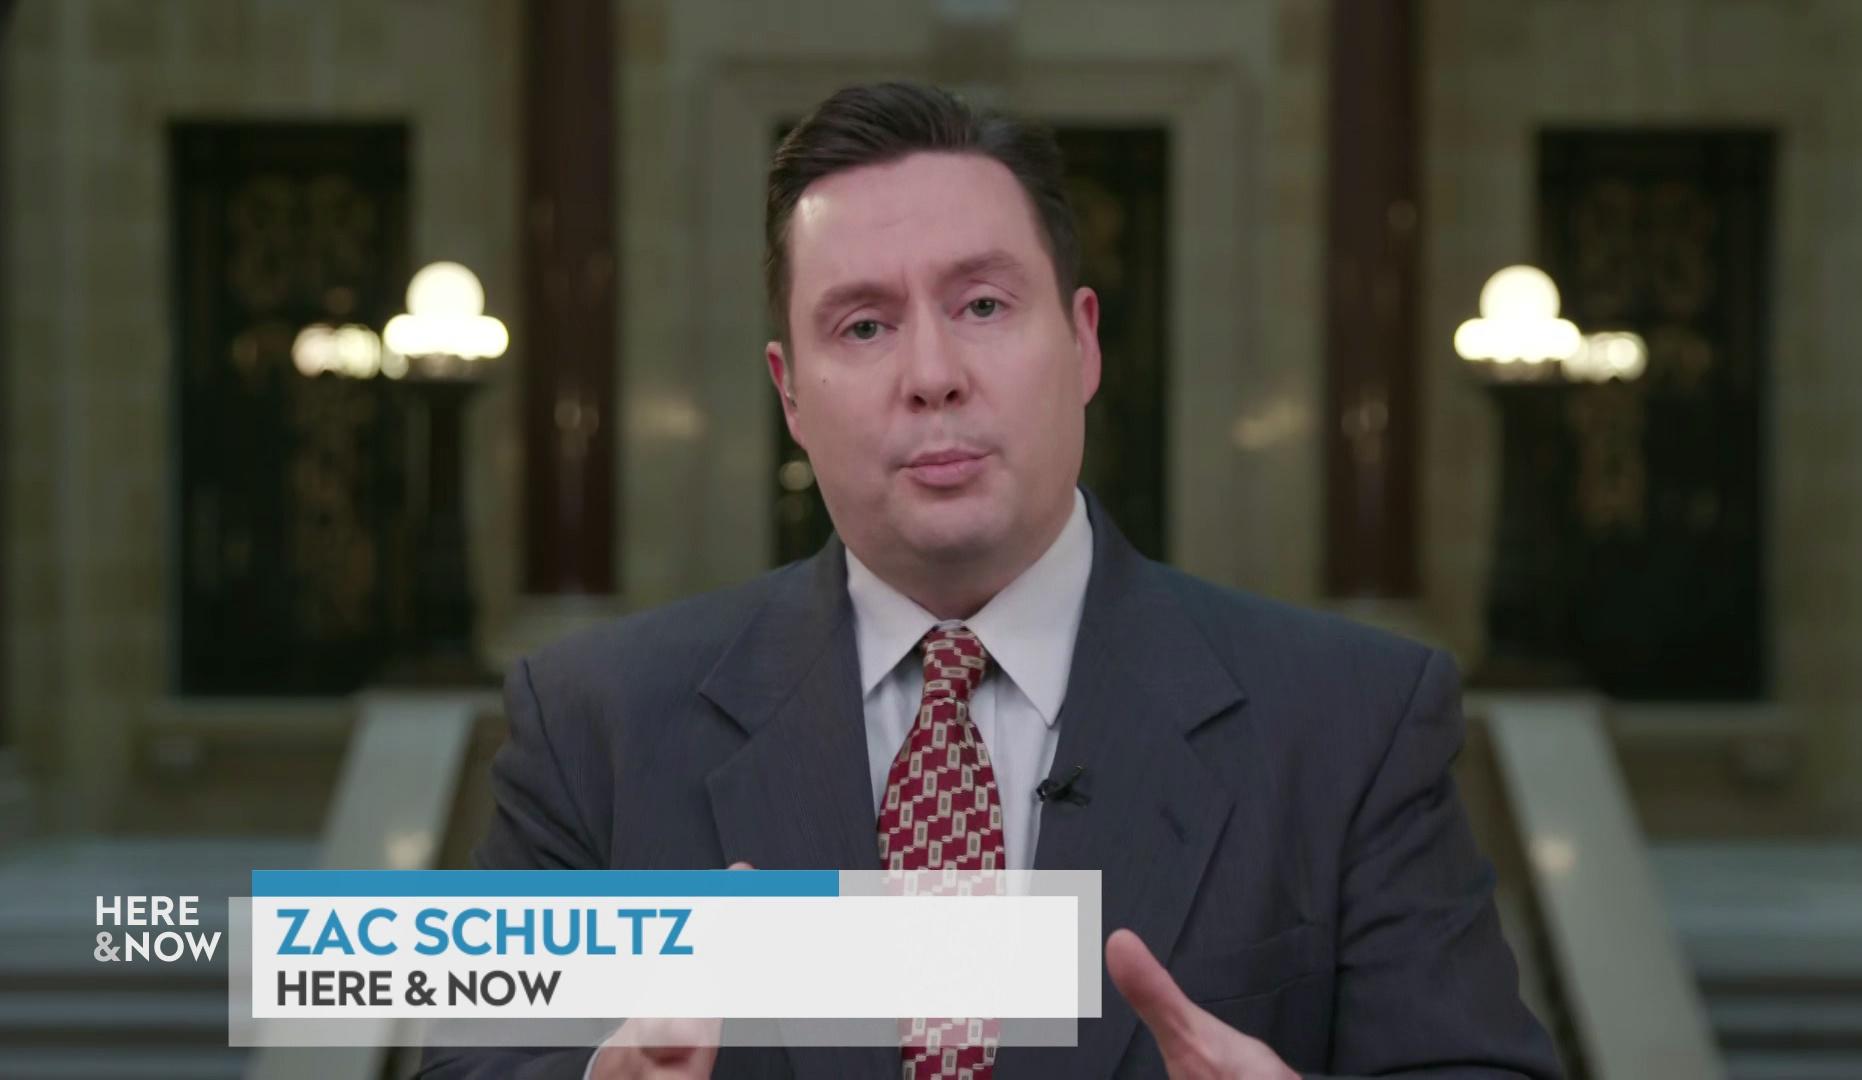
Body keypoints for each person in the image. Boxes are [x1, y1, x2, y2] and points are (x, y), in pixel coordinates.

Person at [419, 81, 1561, 1080]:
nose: (932, 375)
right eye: (863, 326)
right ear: (790, 395)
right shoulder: (596, 728)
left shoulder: (1351, 722)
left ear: (1084, 343)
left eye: (981, 306)